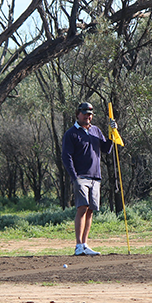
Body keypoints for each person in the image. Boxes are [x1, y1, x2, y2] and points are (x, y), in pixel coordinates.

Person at [62, 102, 117, 256]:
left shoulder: (96, 131)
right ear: (77, 114)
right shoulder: (71, 133)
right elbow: (66, 157)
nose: (88, 116)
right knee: (82, 207)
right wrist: (74, 177)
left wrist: (112, 134)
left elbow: (106, 149)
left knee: (91, 210)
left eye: (90, 114)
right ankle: (78, 245)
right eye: (85, 113)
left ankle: (85, 244)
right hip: (81, 176)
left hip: (95, 176)